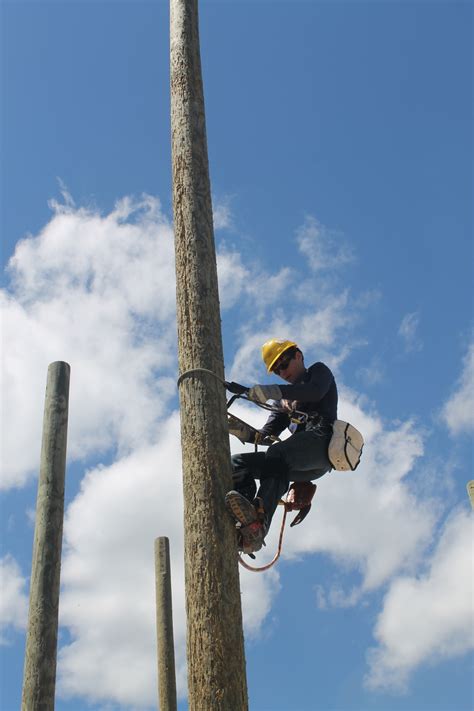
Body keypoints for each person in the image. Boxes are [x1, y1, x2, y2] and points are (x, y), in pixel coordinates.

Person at [225, 338, 338, 554]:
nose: (282, 372)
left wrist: (272, 390)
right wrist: (232, 426)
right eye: (277, 371)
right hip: (295, 459)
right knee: (237, 463)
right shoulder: (283, 404)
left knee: (277, 453)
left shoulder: (318, 372)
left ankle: (260, 522)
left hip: (322, 444)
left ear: (298, 355)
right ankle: (246, 521)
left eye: (283, 365)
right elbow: (265, 436)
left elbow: (314, 392)